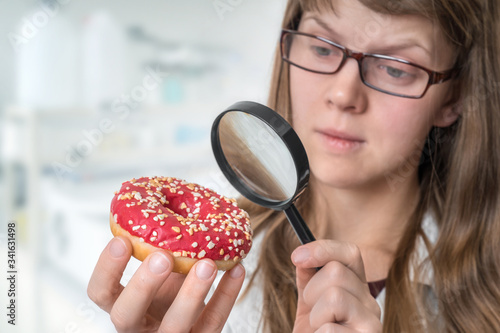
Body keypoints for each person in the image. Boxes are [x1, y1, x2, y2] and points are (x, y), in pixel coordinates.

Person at [87, 0, 500, 331]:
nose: (343, 94)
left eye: (396, 69)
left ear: (455, 97)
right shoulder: (210, 274)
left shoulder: (488, 296)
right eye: (321, 47)